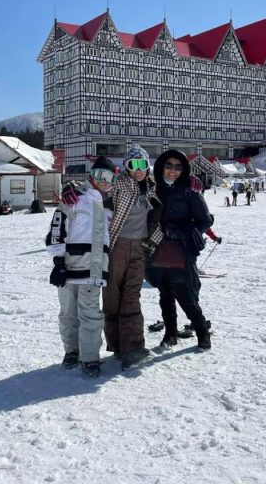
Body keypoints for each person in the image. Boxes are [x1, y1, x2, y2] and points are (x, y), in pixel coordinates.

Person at [46, 157, 115, 378]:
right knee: (68, 313)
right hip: (69, 266)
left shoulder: (110, 206)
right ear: (90, 176)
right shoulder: (75, 198)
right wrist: (58, 261)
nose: (103, 181)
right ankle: (72, 351)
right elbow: (57, 226)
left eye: (108, 177)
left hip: (94, 270)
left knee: (91, 314)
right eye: (98, 176)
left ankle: (90, 357)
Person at [144, 149, 214, 350]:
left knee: (185, 293)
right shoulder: (153, 188)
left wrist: (185, 231)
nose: (172, 170)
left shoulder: (189, 190)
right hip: (158, 248)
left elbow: (205, 220)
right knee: (165, 293)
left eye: (178, 167)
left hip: (181, 249)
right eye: (168, 165)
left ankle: (202, 332)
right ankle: (170, 334)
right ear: (161, 167)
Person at [100, 144, 161, 370]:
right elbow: (98, 192)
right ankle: (117, 346)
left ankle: (133, 348)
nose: (138, 169)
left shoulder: (153, 189)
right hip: (117, 246)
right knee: (112, 296)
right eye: (133, 164)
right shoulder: (119, 186)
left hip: (140, 248)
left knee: (132, 296)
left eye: (142, 164)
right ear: (126, 166)